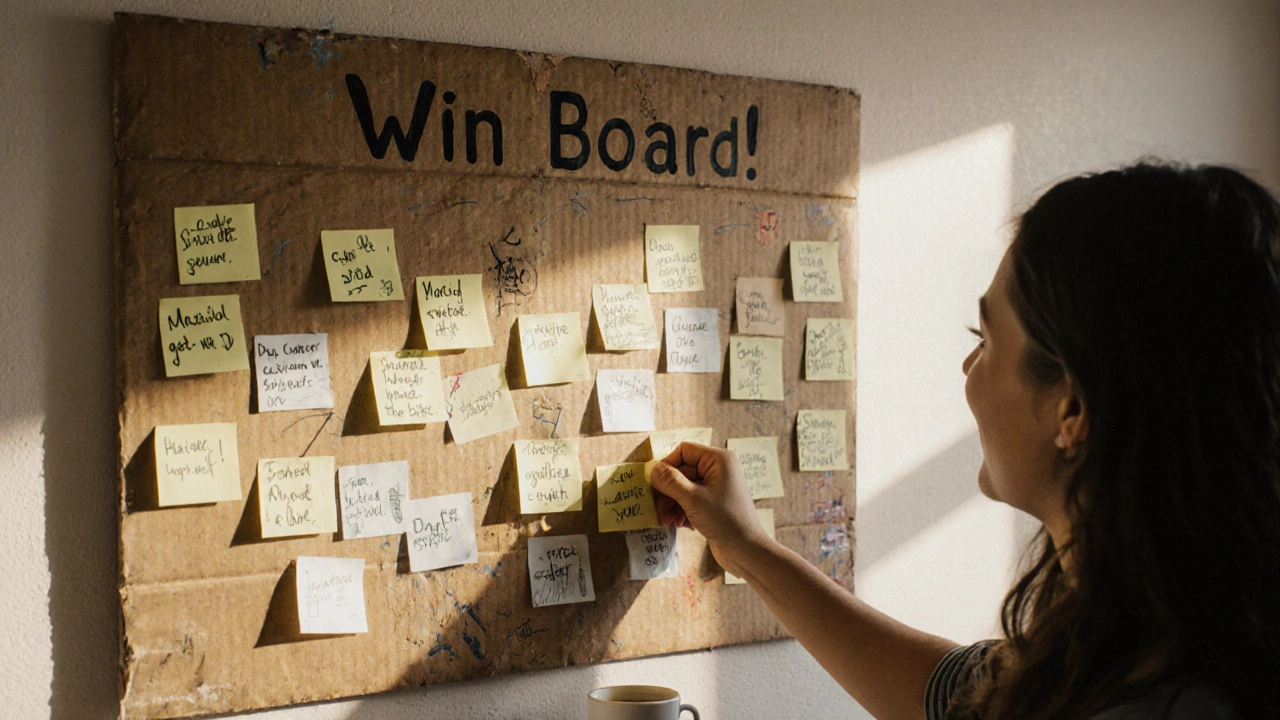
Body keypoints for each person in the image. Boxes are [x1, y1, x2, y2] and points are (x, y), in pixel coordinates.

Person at [648, 162, 1280, 720]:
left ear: (1073, 409)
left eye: (986, 340)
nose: (967, 370)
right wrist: (748, 547)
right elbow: (960, 699)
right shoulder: (1158, 628)